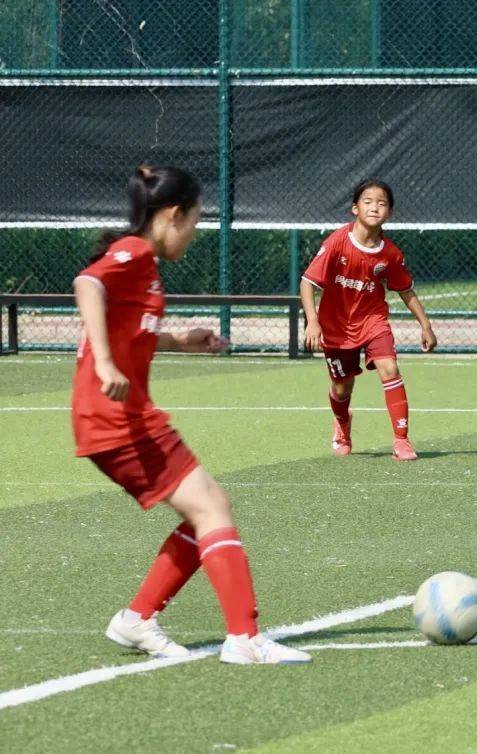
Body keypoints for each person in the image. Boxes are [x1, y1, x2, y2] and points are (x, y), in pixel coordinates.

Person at [73, 165, 312, 663]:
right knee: (211, 508)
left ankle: (138, 620)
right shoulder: (134, 252)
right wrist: (104, 361)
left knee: (206, 508)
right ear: (173, 214)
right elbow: (88, 283)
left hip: (120, 418)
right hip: (115, 420)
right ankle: (244, 639)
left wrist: (180, 341)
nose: (194, 234)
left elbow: (132, 329)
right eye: (196, 222)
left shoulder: (143, 263)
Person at [301, 180, 437, 459]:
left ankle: (401, 440)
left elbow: (405, 290)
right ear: (355, 208)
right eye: (368, 201)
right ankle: (342, 423)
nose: (375, 207)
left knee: (390, 368)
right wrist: (313, 322)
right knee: (342, 388)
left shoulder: (390, 254)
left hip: (373, 321)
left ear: (390, 212)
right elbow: (307, 282)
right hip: (336, 327)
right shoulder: (337, 242)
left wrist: (426, 325)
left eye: (381, 203)